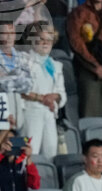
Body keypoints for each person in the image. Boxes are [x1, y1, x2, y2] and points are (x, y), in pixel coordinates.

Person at [20, 24, 66, 158]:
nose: (46, 43)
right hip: (30, 112)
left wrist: (55, 96)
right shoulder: (23, 60)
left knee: (51, 152)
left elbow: (61, 92)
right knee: (30, 151)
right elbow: (20, 89)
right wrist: (42, 99)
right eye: (41, 39)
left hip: (50, 113)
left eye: (49, 39)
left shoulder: (56, 65)